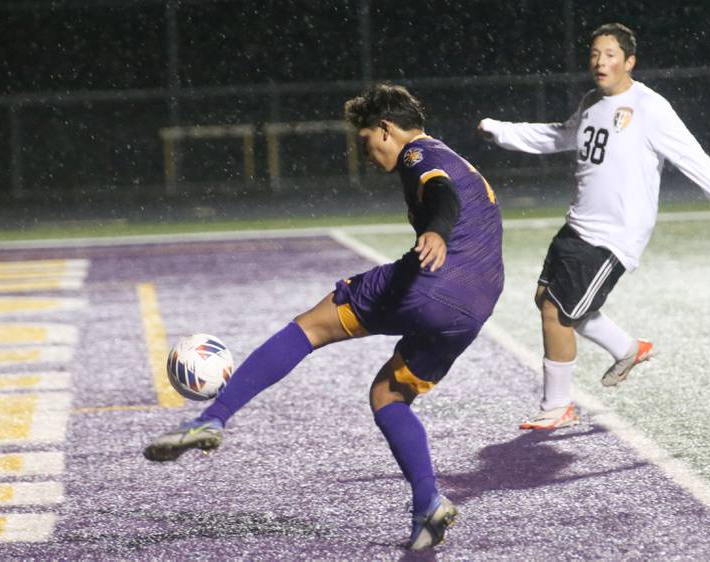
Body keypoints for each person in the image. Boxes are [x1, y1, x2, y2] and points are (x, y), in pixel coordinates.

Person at [144, 83, 505, 550]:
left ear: (386, 128)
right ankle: (427, 503)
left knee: (311, 325)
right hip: (476, 305)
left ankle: (211, 419)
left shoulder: (419, 155)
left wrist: (435, 231)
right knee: (387, 394)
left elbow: (441, 193)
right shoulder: (452, 155)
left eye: (366, 141)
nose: (368, 153)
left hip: (434, 280)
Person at [478, 22, 710, 429]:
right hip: (578, 224)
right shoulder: (590, 102)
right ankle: (628, 348)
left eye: (610, 55)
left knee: (557, 312)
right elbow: (560, 136)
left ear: (629, 61)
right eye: (595, 54)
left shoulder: (650, 108)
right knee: (546, 298)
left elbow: (696, 160)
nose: (600, 62)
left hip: (613, 234)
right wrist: (503, 132)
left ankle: (557, 406)